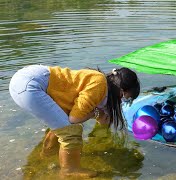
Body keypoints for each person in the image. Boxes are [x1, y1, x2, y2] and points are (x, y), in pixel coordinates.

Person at [9, 65, 140, 178]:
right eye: (126, 99)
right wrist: (95, 114)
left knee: (60, 123)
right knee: (71, 131)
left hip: (24, 80)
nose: (123, 102)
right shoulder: (99, 86)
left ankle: (46, 154)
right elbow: (75, 119)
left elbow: (75, 110)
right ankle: (69, 169)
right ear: (122, 92)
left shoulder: (100, 82)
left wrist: (96, 115)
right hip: (31, 86)